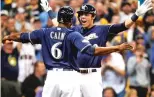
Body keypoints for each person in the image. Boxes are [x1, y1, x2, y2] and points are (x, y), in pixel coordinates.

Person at [2, 6, 133, 97]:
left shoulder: (44, 32)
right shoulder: (73, 35)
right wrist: (117, 48)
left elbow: (22, 36)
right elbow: (92, 50)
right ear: (71, 20)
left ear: (58, 19)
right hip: (70, 77)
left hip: (52, 77)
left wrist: (8, 37)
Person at [41, 0, 153, 97]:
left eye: (86, 14)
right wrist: (49, 11)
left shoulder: (102, 29)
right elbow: (58, 25)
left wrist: (136, 15)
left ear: (93, 16)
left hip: (92, 76)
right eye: (81, 14)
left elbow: (123, 26)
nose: (82, 17)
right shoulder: (75, 30)